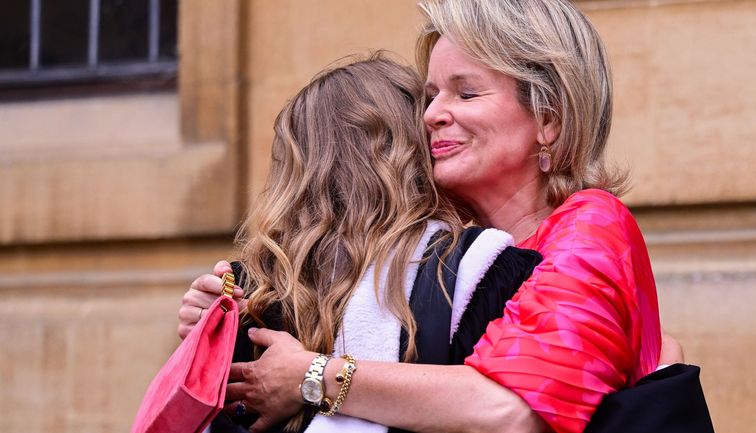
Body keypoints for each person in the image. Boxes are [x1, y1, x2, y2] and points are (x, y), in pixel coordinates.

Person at [179, 1, 713, 433]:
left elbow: (511, 411)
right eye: (431, 94)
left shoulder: (591, 228)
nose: (432, 114)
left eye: (466, 91)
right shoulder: (448, 241)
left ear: (548, 120)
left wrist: (313, 376)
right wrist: (229, 310)